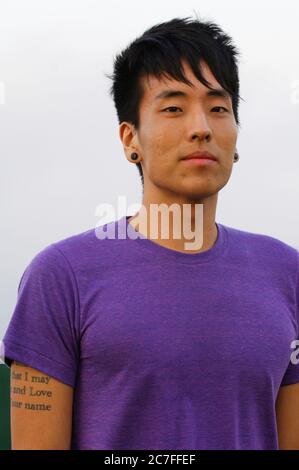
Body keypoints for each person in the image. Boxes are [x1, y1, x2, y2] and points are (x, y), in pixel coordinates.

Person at [2, 15, 299, 450]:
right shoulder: (60, 277)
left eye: (219, 108)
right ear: (130, 139)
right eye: (173, 108)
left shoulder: (287, 273)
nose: (201, 127)